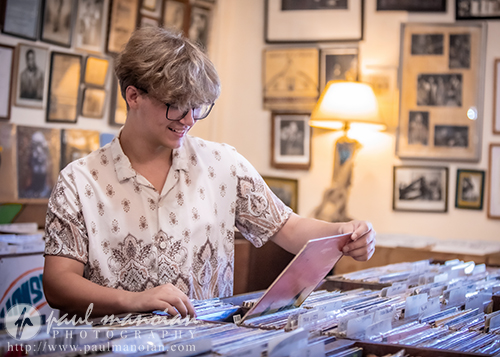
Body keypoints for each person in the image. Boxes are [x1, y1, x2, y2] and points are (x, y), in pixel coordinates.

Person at [43, 27, 376, 318]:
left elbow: (287, 227)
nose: (188, 120)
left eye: (197, 107)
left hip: (208, 344)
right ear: (134, 96)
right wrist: (135, 301)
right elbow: (58, 285)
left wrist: (344, 233)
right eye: (176, 105)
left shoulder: (223, 165)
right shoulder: (79, 181)